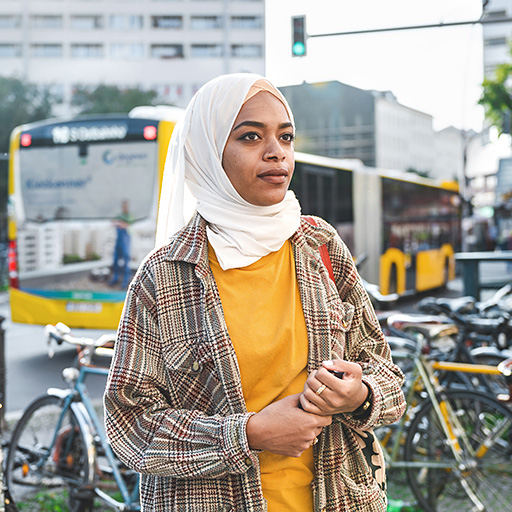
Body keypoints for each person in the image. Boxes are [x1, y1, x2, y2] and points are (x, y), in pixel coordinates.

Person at [104, 73, 405, 512]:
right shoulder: (164, 277)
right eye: (250, 136)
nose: (276, 152)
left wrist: (359, 395)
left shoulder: (319, 244)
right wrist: (248, 434)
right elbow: (129, 425)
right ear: (207, 154)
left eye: (286, 137)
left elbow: (387, 377)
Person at [109, 199, 134, 288]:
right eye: (123, 206)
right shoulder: (120, 215)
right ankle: (115, 278)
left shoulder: (130, 216)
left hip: (125, 241)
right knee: (115, 261)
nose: (124, 207)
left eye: (126, 206)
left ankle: (125, 281)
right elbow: (113, 222)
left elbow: (126, 225)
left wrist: (120, 223)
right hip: (118, 241)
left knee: (125, 262)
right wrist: (119, 223)